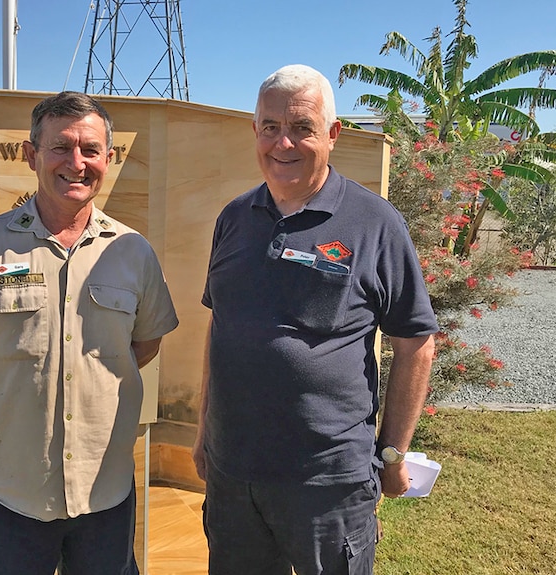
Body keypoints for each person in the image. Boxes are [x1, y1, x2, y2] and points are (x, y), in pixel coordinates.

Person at [0, 91, 178, 575]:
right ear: (32, 154)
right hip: (9, 492)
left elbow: (142, 345)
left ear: (109, 159)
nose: (76, 163)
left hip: (105, 491)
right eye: (61, 147)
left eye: (91, 150)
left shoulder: (134, 253)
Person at [192, 64, 438, 575]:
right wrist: (202, 432)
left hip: (328, 483)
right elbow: (222, 326)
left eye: (302, 128)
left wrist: (392, 453)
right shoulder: (233, 218)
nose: (284, 143)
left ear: (332, 134)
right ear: (255, 131)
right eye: (270, 127)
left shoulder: (374, 223)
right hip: (233, 476)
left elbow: (416, 341)